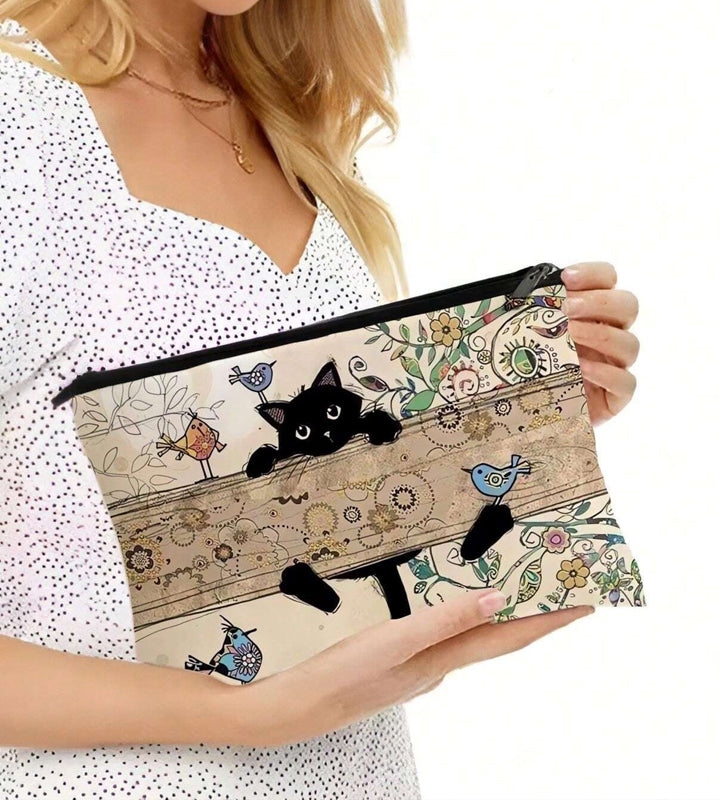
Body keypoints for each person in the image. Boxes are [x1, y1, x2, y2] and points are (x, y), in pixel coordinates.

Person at [0, 1, 640, 797]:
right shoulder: (16, 118)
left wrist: (508, 416)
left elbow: (293, 507)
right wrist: (240, 715)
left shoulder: (284, 116)